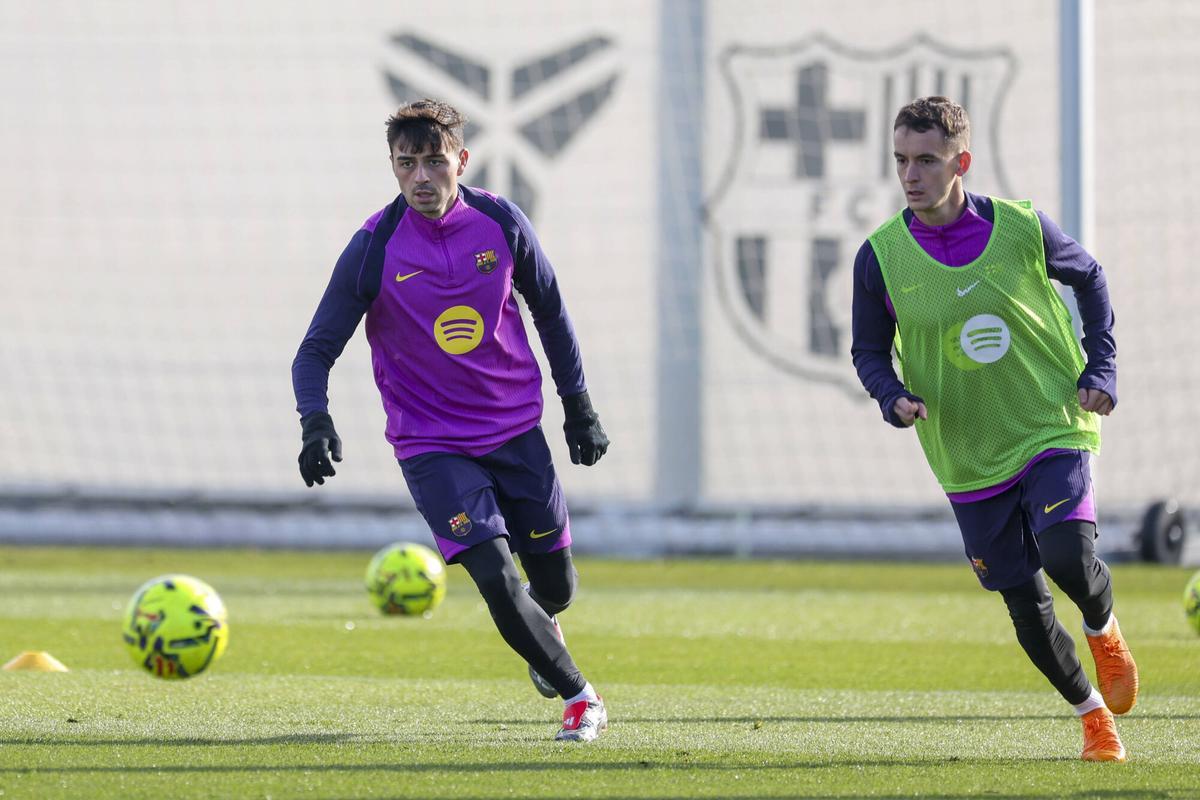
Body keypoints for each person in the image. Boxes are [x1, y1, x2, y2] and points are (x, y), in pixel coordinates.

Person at [291, 98, 610, 742]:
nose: (421, 178)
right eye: (406, 164)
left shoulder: (500, 221)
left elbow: (551, 311)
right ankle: (582, 697)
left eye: (434, 161)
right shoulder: (373, 246)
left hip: (516, 430)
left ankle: (544, 631)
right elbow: (314, 350)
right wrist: (314, 419)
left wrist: (578, 405)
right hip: (431, 445)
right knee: (495, 575)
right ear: (393, 169)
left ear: (461, 160)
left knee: (555, 584)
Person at [851, 96, 1137, 762]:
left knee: (1067, 556)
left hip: (1048, 423)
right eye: (901, 160)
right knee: (1026, 608)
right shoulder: (881, 257)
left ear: (962, 162)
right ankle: (1093, 719)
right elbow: (868, 351)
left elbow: (1090, 276)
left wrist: (1103, 365)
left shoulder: (1021, 227)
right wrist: (890, 394)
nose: (911, 175)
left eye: (927, 160)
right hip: (966, 454)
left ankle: (1103, 628)